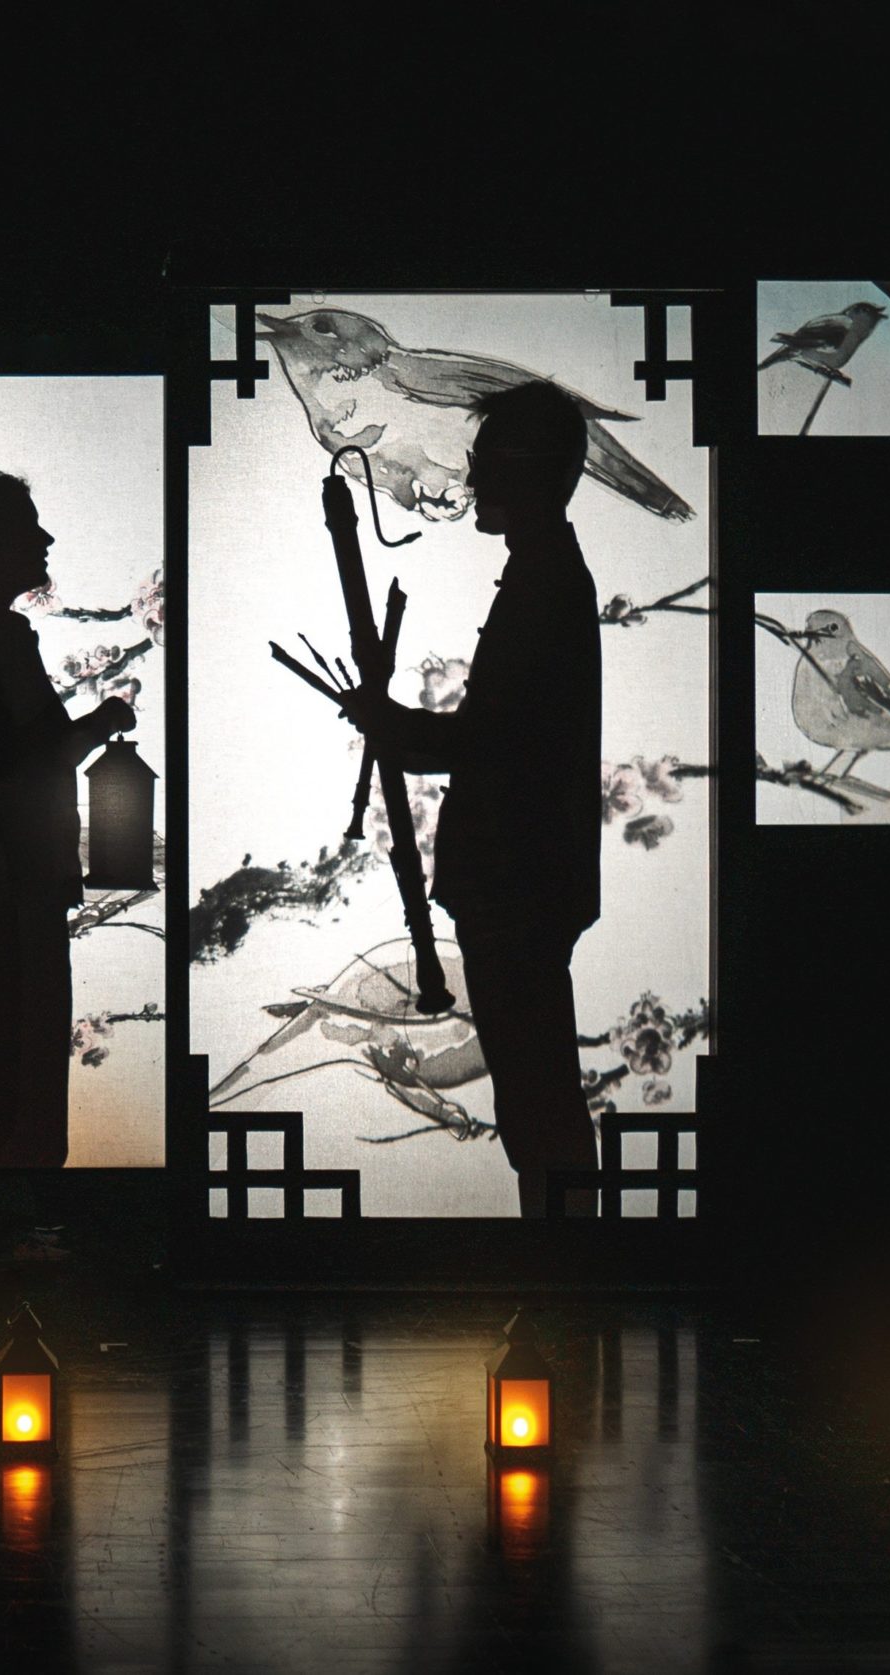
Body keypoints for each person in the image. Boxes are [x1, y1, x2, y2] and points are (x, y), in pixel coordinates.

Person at [339, 382, 602, 1218]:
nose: (472, 477)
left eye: (484, 461)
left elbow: (490, 742)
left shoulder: (544, 583)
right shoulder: (545, 574)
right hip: (524, 884)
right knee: (537, 1096)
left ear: (522, 472)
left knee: (538, 1102)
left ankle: (568, 1264)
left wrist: (392, 724)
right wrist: (397, 728)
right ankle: (569, 1259)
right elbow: (498, 741)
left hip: (516, 887)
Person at [0, 472, 135, 1181]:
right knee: (16, 1087)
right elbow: (31, 758)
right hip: (2, 881)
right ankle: (2, 1229)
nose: (45, 539)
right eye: (26, 528)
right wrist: (105, 719)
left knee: (0, 1076)